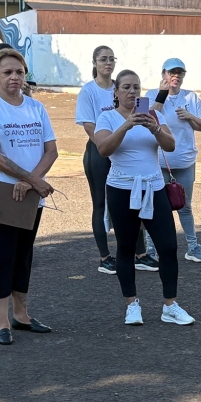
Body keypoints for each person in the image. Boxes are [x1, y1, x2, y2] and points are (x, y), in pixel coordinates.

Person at [95, 70, 195, 327]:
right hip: (121, 189)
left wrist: (155, 128)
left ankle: (170, 305)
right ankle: (132, 304)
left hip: (154, 187)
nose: (132, 92)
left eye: (136, 88)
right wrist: (126, 125)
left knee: (168, 246)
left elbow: (170, 145)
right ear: (116, 92)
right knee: (126, 248)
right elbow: (103, 149)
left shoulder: (154, 115)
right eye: (126, 87)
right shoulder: (107, 117)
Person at [0, 48, 57, 345]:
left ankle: (22, 315)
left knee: (23, 254)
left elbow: (51, 150)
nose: (14, 77)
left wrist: (30, 182)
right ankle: (2, 322)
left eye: (19, 72)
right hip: (1, 193)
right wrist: (31, 180)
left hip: (31, 194)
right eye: (7, 72)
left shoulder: (36, 108)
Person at [75, 45, 156, 274]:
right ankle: (105, 257)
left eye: (111, 59)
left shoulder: (123, 86)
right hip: (100, 152)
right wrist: (107, 148)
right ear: (94, 63)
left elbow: (142, 114)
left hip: (127, 152)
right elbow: (90, 127)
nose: (108, 63)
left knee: (134, 199)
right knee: (101, 203)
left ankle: (140, 254)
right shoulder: (88, 92)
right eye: (103, 59)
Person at [147, 58, 201, 263]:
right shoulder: (151, 94)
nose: (175, 76)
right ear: (163, 74)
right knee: (154, 207)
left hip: (185, 162)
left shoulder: (191, 97)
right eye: (171, 72)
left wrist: (190, 116)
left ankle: (193, 247)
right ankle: (150, 250)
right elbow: (147, 117)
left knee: (185, 206)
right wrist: (162, 94)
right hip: (158, 162)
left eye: (179, 73)